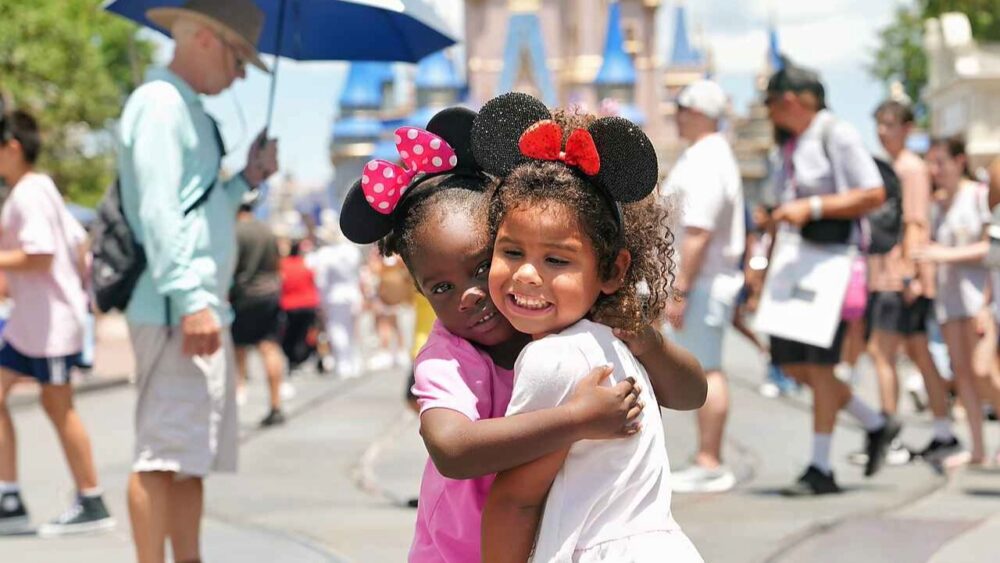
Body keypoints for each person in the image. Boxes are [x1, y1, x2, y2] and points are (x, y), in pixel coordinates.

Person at [338, 105, 705, 562]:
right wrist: (577, 419)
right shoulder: (447, 357)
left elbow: (691, 393)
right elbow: (452, 449)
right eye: (442, 288)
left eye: (482, 264)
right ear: (420, 291)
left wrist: (645, 340)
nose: (470, 295)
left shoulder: (569, 327)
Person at [478, 95, 703, 562]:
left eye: (556, 260)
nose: (525, 275)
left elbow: (516, 501)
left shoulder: (552, 358)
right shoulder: (609, 343)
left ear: (613, 271)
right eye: (511, 252)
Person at [115, 1, 278, 561]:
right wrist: (190, 300)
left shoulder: (181, 109)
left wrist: (248, 178)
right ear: (206, 38)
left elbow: (195, 210)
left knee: (187, 460)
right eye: (239, 60)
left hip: (193, 305)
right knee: (163, 458)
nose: (238, 77)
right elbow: (160, 215)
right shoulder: (162, 106)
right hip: (176, 310)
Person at [764, 62, 898, 495]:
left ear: (790, 100)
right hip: (797, 260)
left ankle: (821, 466)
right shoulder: (793, 144)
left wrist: (813, 208)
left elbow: (873, 192)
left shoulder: (835, 132)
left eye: (770, 103)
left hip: (831, 263)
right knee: (792, 363)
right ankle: (875, 422)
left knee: (821, 366)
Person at [0, 110, 115, 536]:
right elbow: (74, 245)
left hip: (47, 327)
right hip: (35, 324)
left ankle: (92, 498)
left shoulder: (29, 193)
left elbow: (41, 252)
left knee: (59, 407)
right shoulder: (38, 189)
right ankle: (8, 495)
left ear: (13, 147)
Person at [661, 79, 745, 493]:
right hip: (701, 281)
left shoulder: (708, 158)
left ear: (696, 112)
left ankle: (710, 459)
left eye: (680, 109)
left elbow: (698, 230)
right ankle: (705, 457)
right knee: (702, 367)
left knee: (707, 371)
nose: (675, 117)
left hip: (703, 282)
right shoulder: (705, 155)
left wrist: (680, 289)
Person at [863, 101, 959, 463]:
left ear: (906, 128)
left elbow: (915, 223)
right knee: (917, 354)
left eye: (890, 124)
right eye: (879, 124)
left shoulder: (911, 169)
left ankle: (889, 436)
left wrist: (909, 274)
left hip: (899, 278)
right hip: (889, 275)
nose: (883, 131)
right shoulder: (889, 167)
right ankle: (942, 432)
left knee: (883, 354)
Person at [915, 137, 1000, 467]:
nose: (935, 170)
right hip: (950, 300)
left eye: (941, 162)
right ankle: (978, 448)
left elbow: (990, 250)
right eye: (931, 163)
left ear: (959, 161)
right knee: (962, 373)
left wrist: (944, 255)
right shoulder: (937, 205)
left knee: (984, 372)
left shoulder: (978, 197)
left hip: (979, 297)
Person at [231, 198, 287, 427]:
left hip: (243, 296)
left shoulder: (234, 231)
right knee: (269, 347)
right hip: (269, 293)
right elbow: (277, 262)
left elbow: (229, 266)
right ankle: (275, 404)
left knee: (236, 348)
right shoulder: (266, 230)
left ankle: (237, 394)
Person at [308, 213, 364, 379]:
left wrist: (321, 302)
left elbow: (321, 282)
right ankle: (355, 362)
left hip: (334, 297)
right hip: (353, 294)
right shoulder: (352, 251)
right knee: (352, 330)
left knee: (337, 330)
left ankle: (344, 364)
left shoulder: (325, 255)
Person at [279, 239, 321, 375]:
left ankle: (294, 360)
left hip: (290, 306)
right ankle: (305, 359)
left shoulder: (283, 265)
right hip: (308, 304)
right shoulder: (306, 264)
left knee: (291, 334)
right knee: (306, 334)